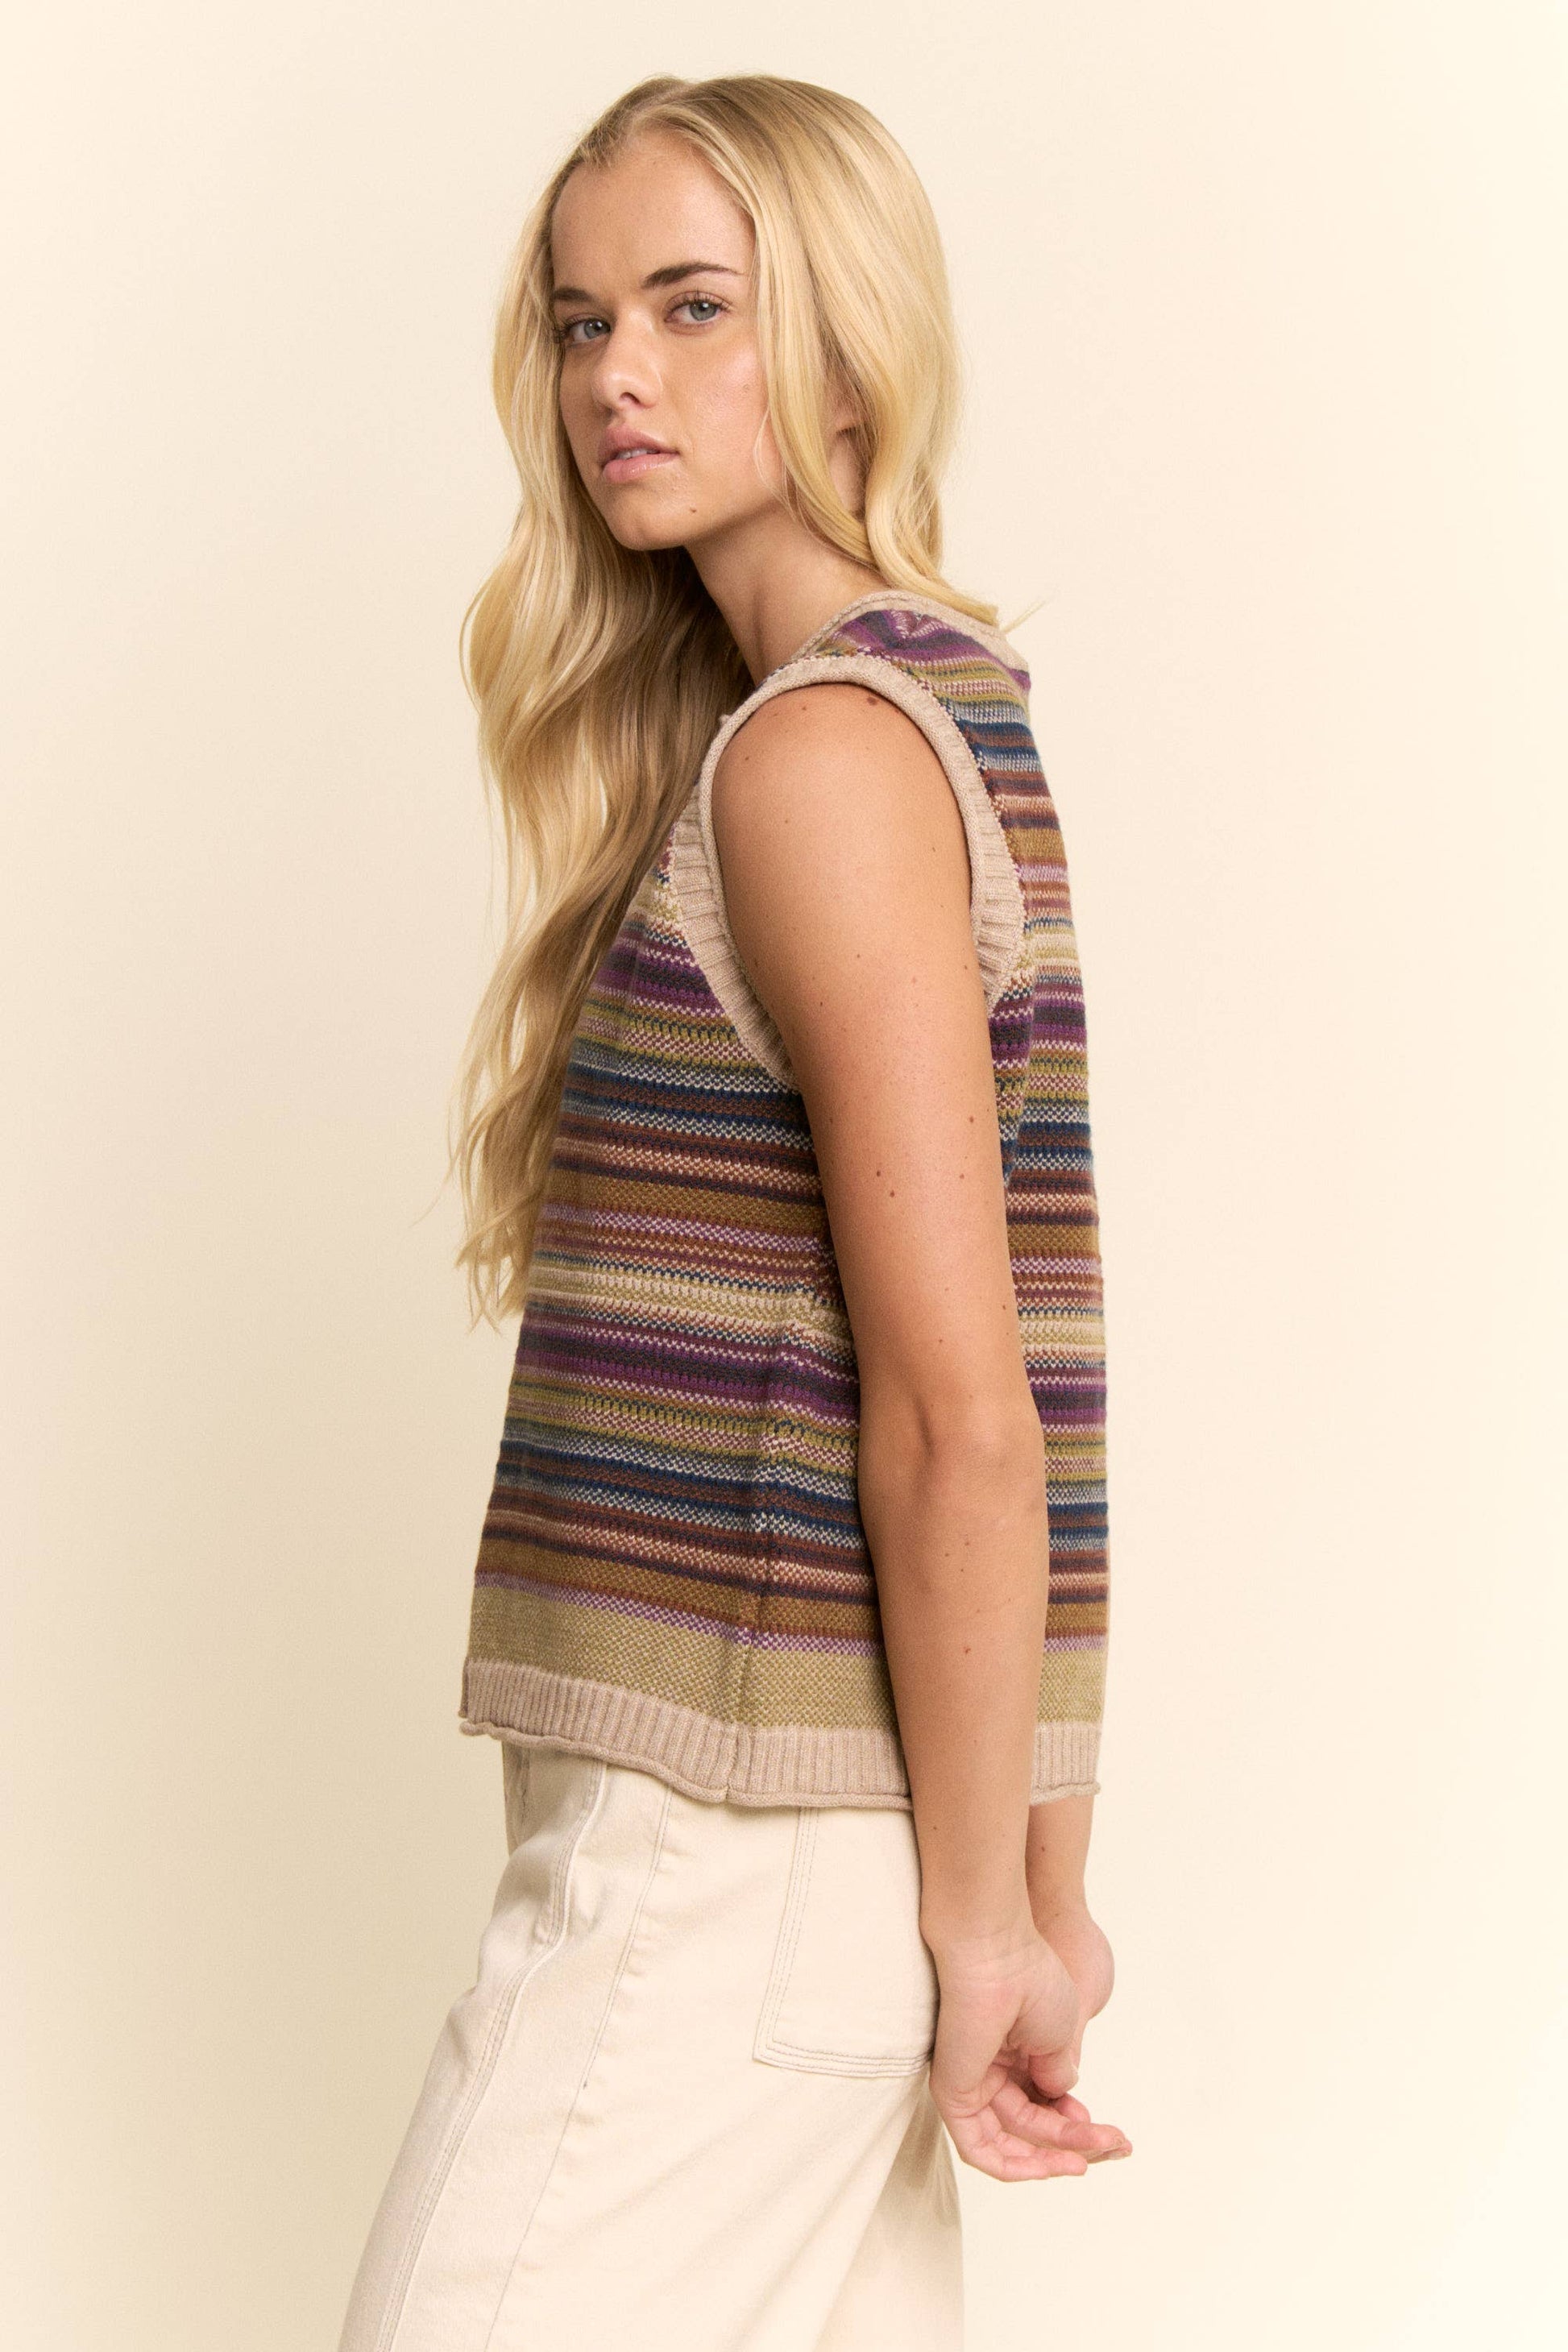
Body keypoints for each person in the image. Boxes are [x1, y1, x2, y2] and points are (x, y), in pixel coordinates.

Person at [337, 70, 1128, 2352]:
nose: (620, 377)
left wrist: (993, 1921)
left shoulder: (825, 757)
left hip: (723, 1855)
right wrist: (1014, 1894)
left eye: (697, 307)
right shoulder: (927, 718)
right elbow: (1022, 1371)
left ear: (851, 345)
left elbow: (964, 1414)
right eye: (584, 320)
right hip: (827, 1869)